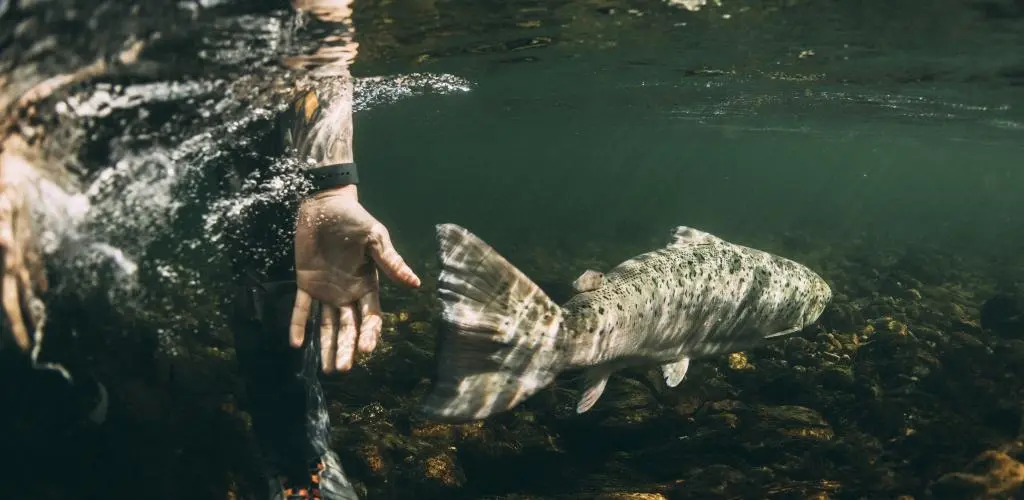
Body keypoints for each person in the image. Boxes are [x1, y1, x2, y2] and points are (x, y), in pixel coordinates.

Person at [228, 1, 422, 499]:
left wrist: (332, 188)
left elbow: (321, 22)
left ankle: (299, 461)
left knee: (276, 258)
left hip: (243, 83)